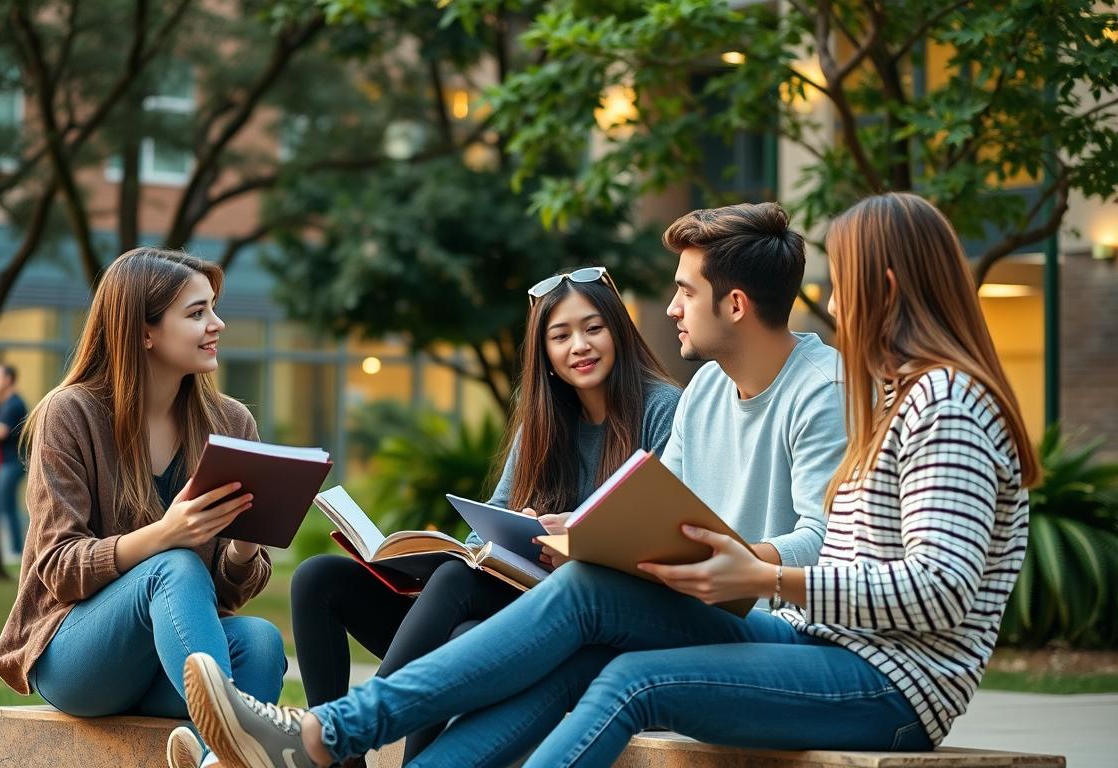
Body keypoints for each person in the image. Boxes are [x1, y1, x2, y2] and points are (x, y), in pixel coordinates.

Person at [189, 192, 1038, 768]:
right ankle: (323, 737)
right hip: (813, 646)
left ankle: (317, 739)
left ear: (884, 284)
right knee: (592, 609)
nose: (829, 297)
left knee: (630, 680)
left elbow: (941, 592)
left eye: (845, 279)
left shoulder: (948, 401)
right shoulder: (894, 397)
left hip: (888, 689)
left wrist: (769, 574)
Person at [290, 265, 682, 762]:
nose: (579, 346)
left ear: (618, 331)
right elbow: (494, 519)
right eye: (560, 336)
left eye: (593, 328)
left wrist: (582, 537)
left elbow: (664, 536)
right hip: (512, 604)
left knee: (459, 618)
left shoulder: (662, 410)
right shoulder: (543, 420)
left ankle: (337, 734)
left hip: (586, 624)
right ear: (546, 356)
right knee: (318, 577)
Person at [0, 248, 288, 768]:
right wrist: (165, 534)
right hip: (77, 656)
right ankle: (229, 746)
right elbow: (57, 569)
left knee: (261, 640)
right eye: (196, 314)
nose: (216, 324)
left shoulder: (231, 423)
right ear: (144, 331)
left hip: (169, 663)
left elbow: (222, 599)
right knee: (172, 566)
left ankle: (216, 760)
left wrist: (243, 547)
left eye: (213, 309)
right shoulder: (71, 414)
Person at [0, 364, 28, 556]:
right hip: (5, 461)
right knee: (6, 504)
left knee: (6, 504)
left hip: (12, 462)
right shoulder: (1, 404)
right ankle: (15, 548)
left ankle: (15, 549)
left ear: (8, 379)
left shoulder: (13, 404)